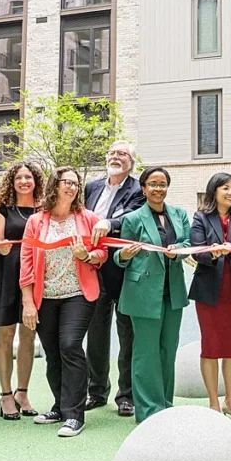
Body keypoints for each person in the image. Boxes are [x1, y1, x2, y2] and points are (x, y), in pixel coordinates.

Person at [19, 167, 106, 437]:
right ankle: (59, 405)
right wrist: (28, 303)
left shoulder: (88, 218)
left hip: (78, 293)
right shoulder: (36, 221)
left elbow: (101, 252)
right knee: (53, 353)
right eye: (66, 182)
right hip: (44, 297)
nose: (72, 187)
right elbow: (26, 261)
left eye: (76, 184)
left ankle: (74, 415)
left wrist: (87, 256)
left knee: (70, 346)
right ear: (54, 185)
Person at [115, 166, 191, 423]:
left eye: (162, 184)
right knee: (145, 353)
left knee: (168, 350)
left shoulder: (179, 214)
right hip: (143, 293)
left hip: (173, 291)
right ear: (144, 188)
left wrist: (178, 249)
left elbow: (189, 244)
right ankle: (148, 411)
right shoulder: (132, 219)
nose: (158, 189)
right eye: (153, 184)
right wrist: (123, 255)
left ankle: (166, 406)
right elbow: (119, 254)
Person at [0, 161, 45, 420]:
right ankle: (5, 395)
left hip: (35, 275)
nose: (24, 181)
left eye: (29, 177)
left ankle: (22, 393)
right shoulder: (1, 208)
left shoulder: (43, 209)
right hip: (6, 275)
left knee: (29, 337)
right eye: (19, 177)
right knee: (5, 336)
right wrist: (0, 246)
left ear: (36, 181)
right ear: (12, 182)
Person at [189, 173, 231, 422]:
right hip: (209, 290)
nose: (230, 193)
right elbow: (197, 249)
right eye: (225, 188)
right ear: (214, 191)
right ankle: (213, 403)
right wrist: (214, 253)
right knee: (210, 347)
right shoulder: (201, 217)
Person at [84, 140, 144, 417]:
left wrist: (110, 223)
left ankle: (126, 396)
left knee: (127, 334)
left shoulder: (137, 190)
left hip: (123, 270)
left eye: (122, 154)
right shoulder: (92, 187)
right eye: (112, 153)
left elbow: (132, 216)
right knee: (95, 334)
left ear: (131, 161)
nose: (116, 157)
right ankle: (96, 391)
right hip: (93, 269)